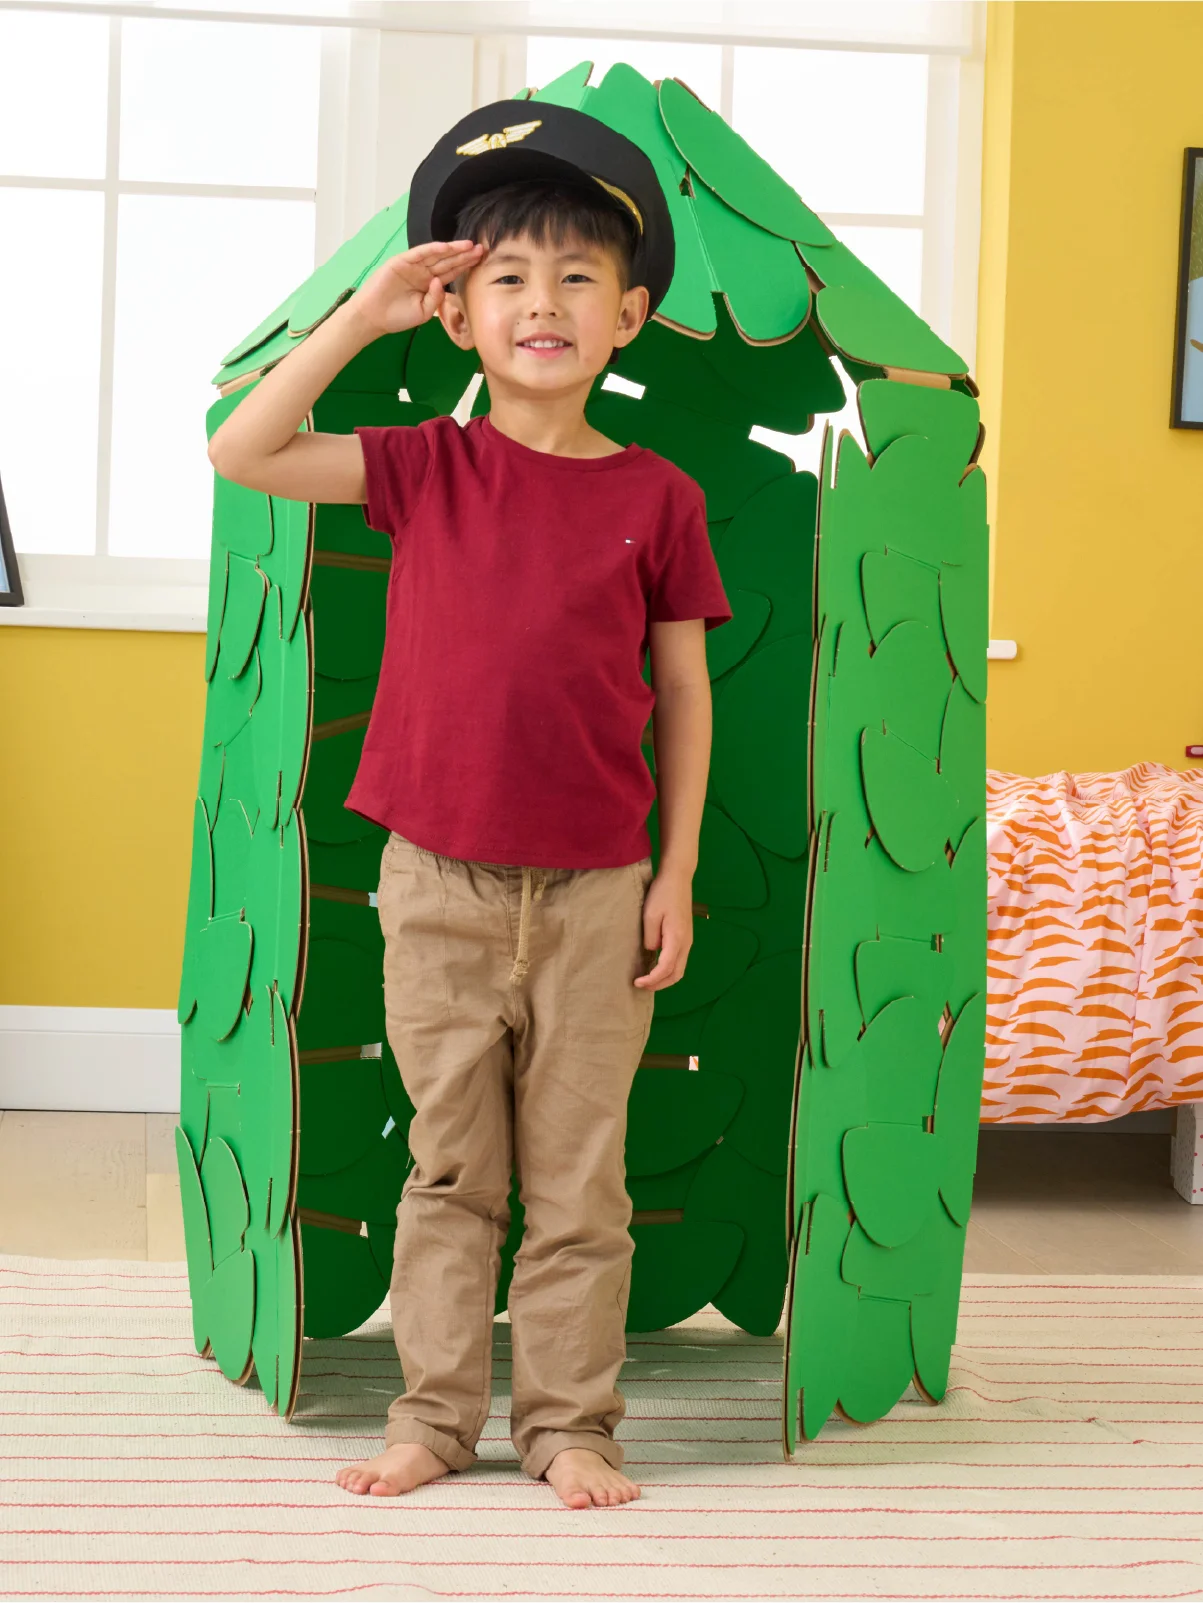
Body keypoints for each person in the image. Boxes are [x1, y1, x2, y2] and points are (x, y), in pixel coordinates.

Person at [206, 100, 732, 1511]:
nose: (541, 303)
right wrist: (366, 313)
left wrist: (673, 870)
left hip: (595, 891)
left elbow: (683, 695)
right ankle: (435, 1416)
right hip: (435, 883)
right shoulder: (425, 468)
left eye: (575, 280)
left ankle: (569, 1421)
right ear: (460, 315)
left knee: (579, 1182)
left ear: (627, 317)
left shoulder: (657, 495)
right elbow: (243, 448)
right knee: (450, 1170)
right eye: (505, 277)